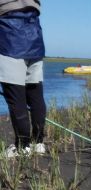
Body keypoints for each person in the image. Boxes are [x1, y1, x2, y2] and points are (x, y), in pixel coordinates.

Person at [0, 0, 46, 158]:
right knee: (35, 94)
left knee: (16, 98)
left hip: (10, 39)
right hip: (35, 36)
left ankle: (23, 146)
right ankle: (38, 143)